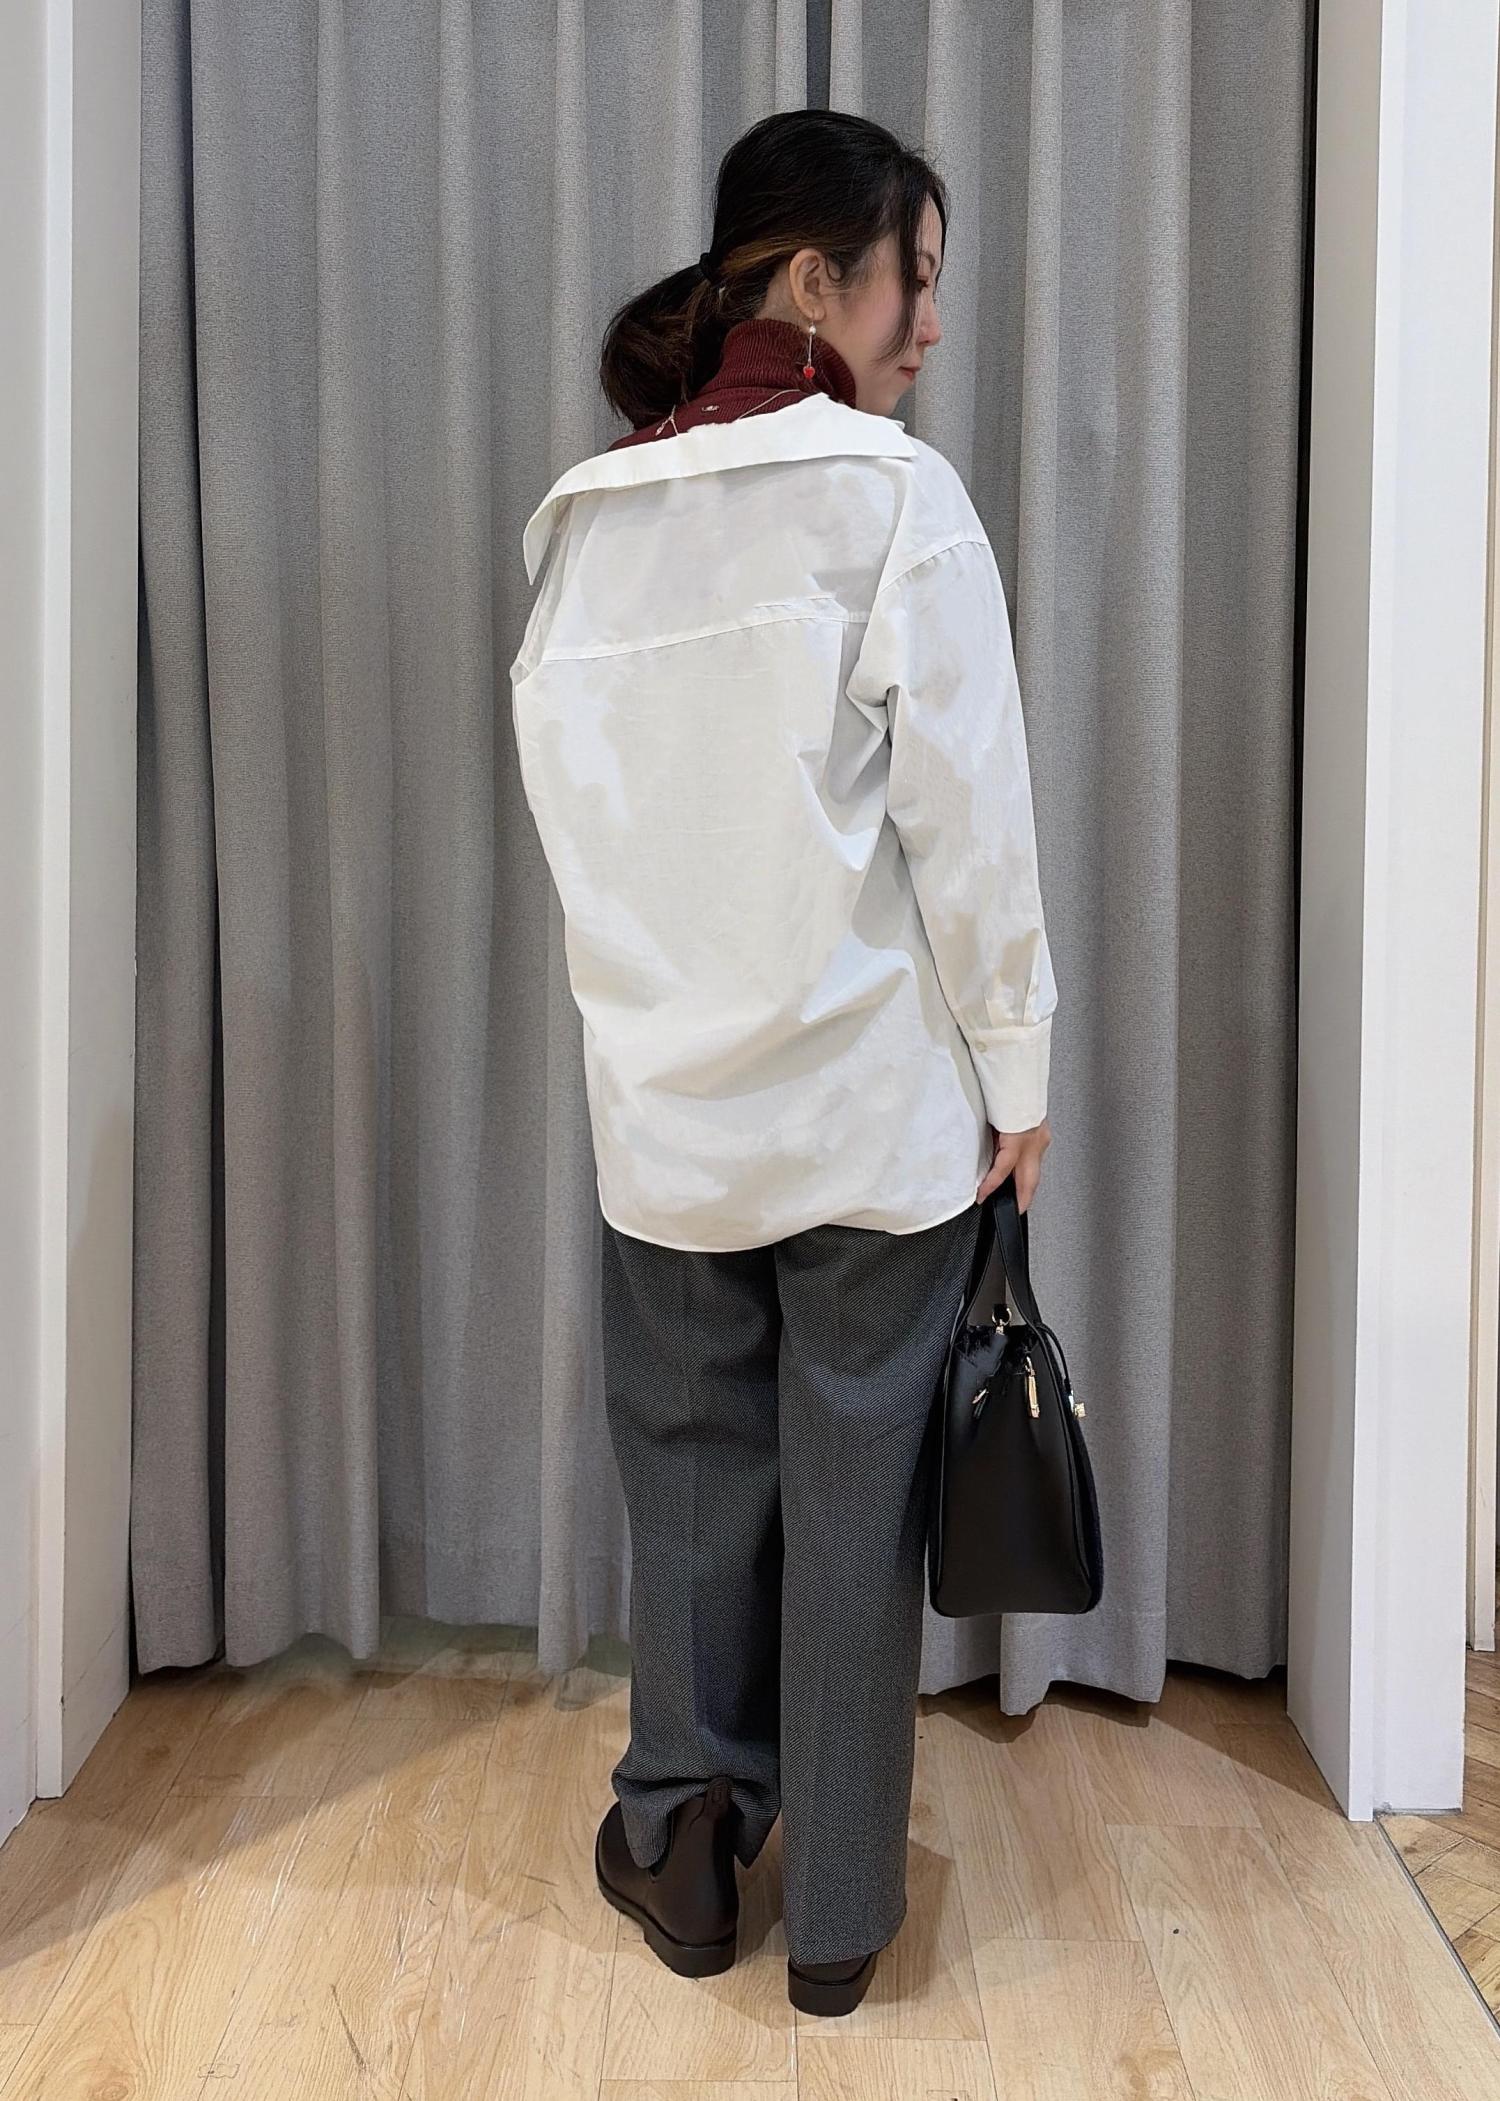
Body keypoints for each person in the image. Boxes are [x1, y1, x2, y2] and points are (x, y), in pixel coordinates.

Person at [508, 107, 1058, 2018]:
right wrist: (1018, 1077)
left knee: (686, 1488)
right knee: (850, 1501)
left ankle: (680, 1846)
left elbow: (582, 839)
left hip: (666, 1123)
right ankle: (833, 1914)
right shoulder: (895, 504)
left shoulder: (587, 524)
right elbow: (974, 832)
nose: (931, 328)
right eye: (918, 280)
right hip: (870, 1120)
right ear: (818, 278)